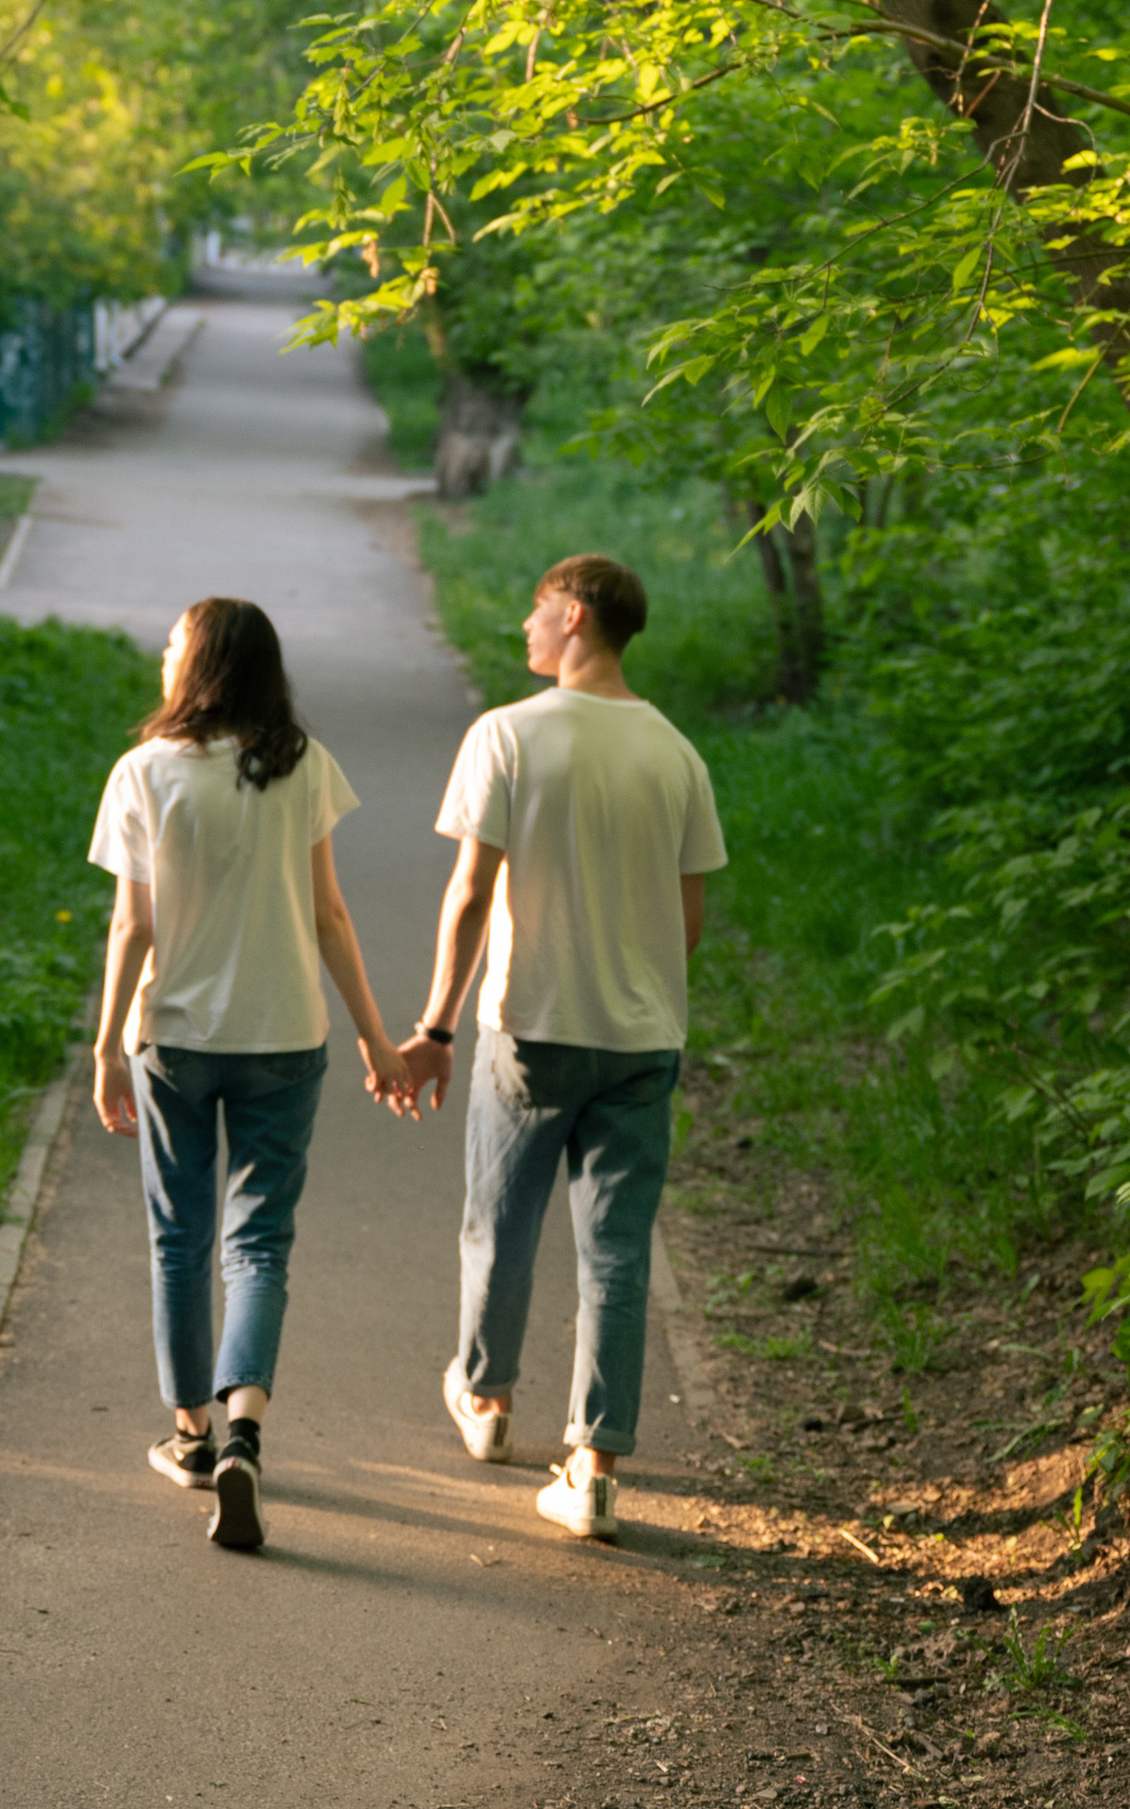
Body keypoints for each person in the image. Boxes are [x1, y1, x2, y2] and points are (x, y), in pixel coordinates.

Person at [405, 552, 728, 1544]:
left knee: (500, 1226)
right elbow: (687, 922)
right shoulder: (676, 754)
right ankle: (593, 1471)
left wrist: (436, 1025)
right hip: (641, 1041)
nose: (526, 626)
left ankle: (487, 1400)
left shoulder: (508, 735)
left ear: (576, 615)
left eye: (538, 609)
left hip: (531, 1030)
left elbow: (470, 895)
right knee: (617, 1251)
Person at [89, 595, 415, 1551]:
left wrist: (106, 1046)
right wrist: (375, 1037)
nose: (163, 653)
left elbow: (133, 924)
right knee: (260, 1244)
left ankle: (192, 1437)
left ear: (198, 663)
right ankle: (245, 1434)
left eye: (173, 642)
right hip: (285, 1036)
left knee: (180, 1239)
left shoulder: (146, 771)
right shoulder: (301, 764)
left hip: (177, 1040)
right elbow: (329, 915)